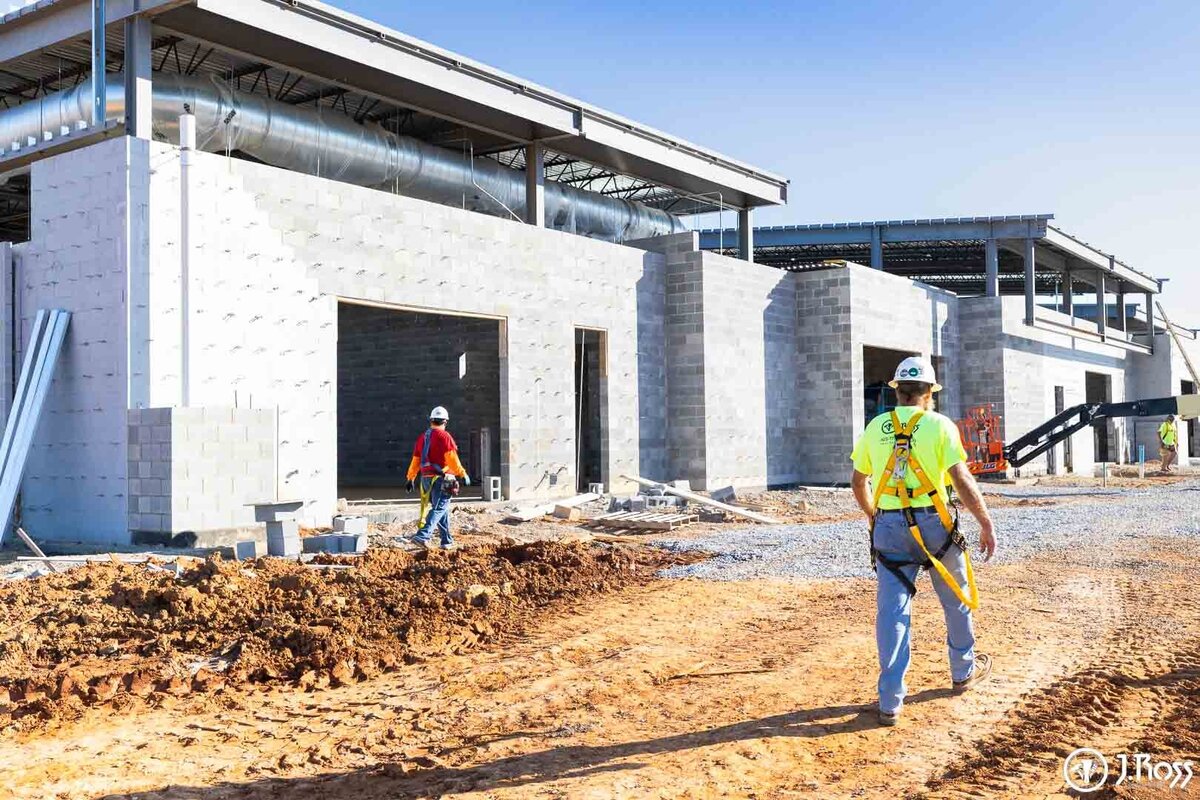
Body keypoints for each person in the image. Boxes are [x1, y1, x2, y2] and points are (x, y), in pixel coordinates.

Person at [850, 356, 998, 727]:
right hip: (937, 527)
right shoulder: (940, 426)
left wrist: (873, 515)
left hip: (889, 526)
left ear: (896, 391)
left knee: (892, 612)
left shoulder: (876, 427)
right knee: (957, 599)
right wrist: (984, 521)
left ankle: (890, 700)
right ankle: (962, 671)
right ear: (930, 393)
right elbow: (961, 479)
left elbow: (858, 481)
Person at [406, 406, 470, 549]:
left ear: (431, 420)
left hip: (426, 479)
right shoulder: (444, 436)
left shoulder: (423, 437)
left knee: (441, 509)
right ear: (445, 422)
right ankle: (423, 535)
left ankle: (446, 541)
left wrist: (411, 478)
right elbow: (452, 459)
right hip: (441, 479)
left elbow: (416, 459)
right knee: (440, 508)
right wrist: (462, 473)